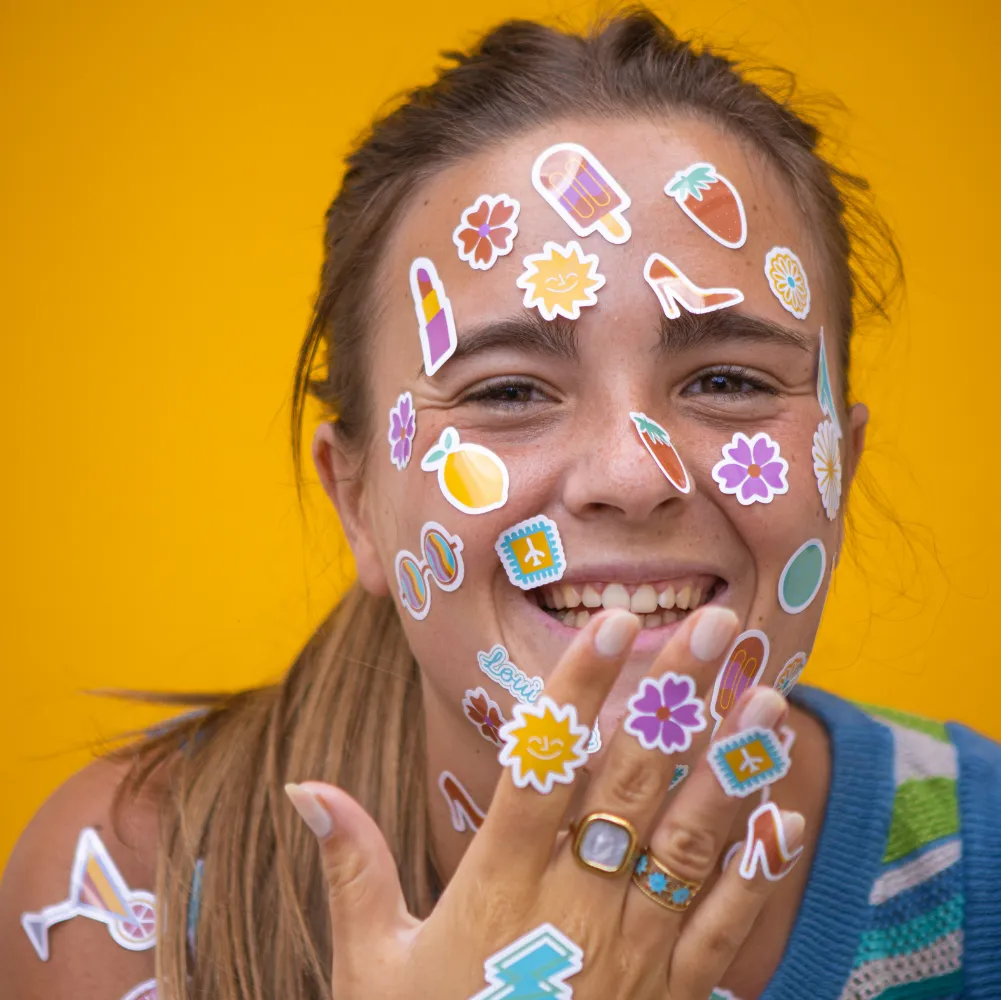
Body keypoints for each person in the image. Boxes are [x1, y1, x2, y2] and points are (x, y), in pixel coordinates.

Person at [2, 8, 999, 1000]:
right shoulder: (134, 892)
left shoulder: (982, 870)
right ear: (358, 499)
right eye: (507, 392)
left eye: (728, 381)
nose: (630, 472)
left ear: (842, 461)